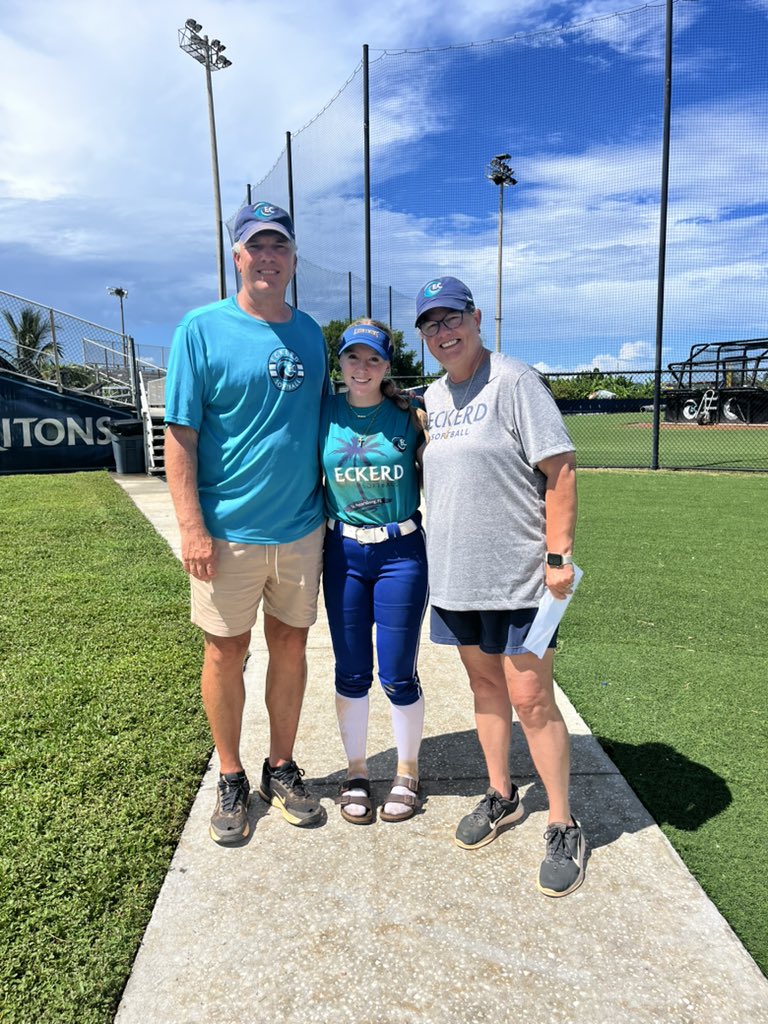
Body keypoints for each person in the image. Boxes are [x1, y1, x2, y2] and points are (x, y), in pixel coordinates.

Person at [164, 201, 329, 844]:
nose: (267, 257)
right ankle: (230, 775)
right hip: (226, 532)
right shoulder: (201, 328)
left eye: (278, 246)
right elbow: (181, 435)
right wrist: (192, 527)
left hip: (301, 529)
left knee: (291, 646)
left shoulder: (310, 333)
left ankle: (280, 767)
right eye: (255, 246)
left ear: (293, 260)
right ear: (237, 257)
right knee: (226, 651)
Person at [415, 275, 583, 897]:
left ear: (476, 317)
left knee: (531, 698)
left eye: (452, 318)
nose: (444, 332)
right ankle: (502, 794)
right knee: (485, 689)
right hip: (456, 578)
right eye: (430, 325)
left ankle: (563, 823)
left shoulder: (514, 382)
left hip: (519, 579)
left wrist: (558, 556)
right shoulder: (432, 398)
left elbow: (560, 470)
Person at [321, 320, 429, 824]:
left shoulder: (411, 414)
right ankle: (357, 771)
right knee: (350, 670)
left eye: (373, 359)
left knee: (397, 672)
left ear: (387, 366)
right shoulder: (324, 412)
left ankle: (407, 771)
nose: (361, 368)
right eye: (352, 357)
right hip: (343, 552)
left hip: (400, 552)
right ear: (339, 362)